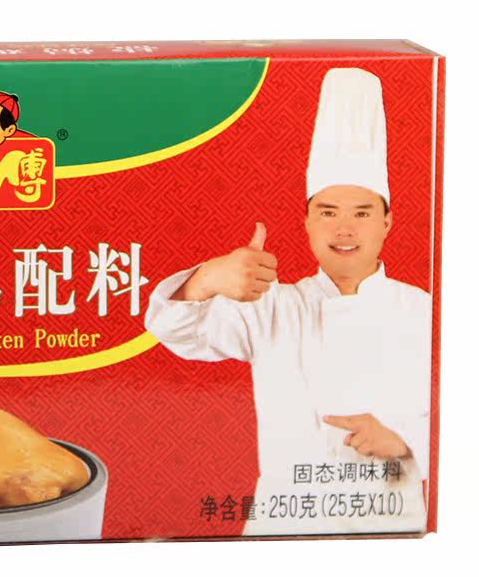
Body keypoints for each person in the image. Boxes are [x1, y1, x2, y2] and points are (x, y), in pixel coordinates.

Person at [145, 68, 431, 535]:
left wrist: (401, 441)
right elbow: (170, 328)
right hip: (283, 525)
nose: (344, 229)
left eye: (361, 214)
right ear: (307, 223)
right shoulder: (272, 306)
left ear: (387, 222)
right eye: (327, 213)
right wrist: (209, 277)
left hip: (390, 524)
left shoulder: (424, 311)